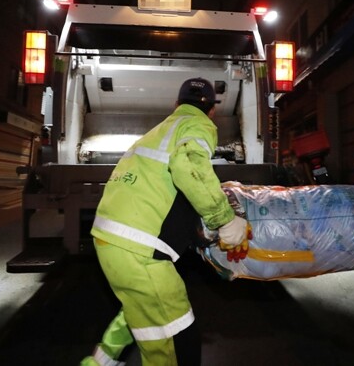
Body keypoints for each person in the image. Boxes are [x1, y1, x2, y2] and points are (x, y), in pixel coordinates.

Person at [81, 77, 250, 366]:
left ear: (176, 105)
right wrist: (225, 220)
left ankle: (99, 362)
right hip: (139, 248)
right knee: (175, 338)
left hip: (110, 240)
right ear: (212, 111)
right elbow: (187, 166)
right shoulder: (198, 125)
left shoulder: (158, 131)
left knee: (143, 310)